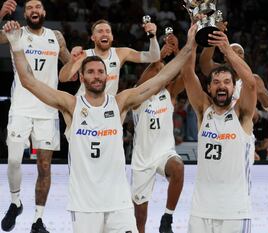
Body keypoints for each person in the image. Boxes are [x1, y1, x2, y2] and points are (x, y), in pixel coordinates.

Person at [2, 20, 197, 233]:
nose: (96, 76)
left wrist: (189, 46)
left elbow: (162, 78)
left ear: (107, 76)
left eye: (100, 71)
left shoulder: (120, 102)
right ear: (82, 77)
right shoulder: (71, 105)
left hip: (119, 203)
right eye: (91, 72)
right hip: (85, 206)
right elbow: (28, 81)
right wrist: (16, 45)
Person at [0, 0, 70, 232]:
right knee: (13, 161)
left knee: (45, 166)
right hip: (21, 107)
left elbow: (68, 67)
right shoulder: (15, 32)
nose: (34, 11)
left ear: (44, 12)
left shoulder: (56, 36)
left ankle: (38, 220)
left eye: (37, 7)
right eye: (29, 8)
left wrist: (77, 59)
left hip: (48, 109)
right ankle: (15, 202)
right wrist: (0, 15)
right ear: (25, 13)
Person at [181, 28, 256, 233]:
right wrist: (192, 41)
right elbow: (187, 74)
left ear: (233, 88)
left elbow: (250, 83)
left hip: (235, 212)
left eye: (226, 82)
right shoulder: (203, 110)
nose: (221, 86)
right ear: (209, 88)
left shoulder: (242, 114)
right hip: (201, 210)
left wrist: (226, 49)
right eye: (215, 82)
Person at [131, 33, 185, 233]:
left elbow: (186, 75)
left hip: (164, 153)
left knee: (178, 168)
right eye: (156, 72)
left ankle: (167, 218)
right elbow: (150, 72)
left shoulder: (169, 94)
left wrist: (178, 51)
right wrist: (159, 57)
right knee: (139, 217)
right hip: (142, 158)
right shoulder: (136, 97)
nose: (161, 74)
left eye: (163, 72)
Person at [59, 19, 160, 95]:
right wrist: (72, 61)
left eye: (108, 31)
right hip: (83, 107)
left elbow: (154, 57)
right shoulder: (84, 55)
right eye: (100, 31)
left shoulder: (121, 53)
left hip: (107, 109)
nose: (104, 34)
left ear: (112, 37)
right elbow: (63, 78)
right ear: (93, 38)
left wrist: (152, 36)